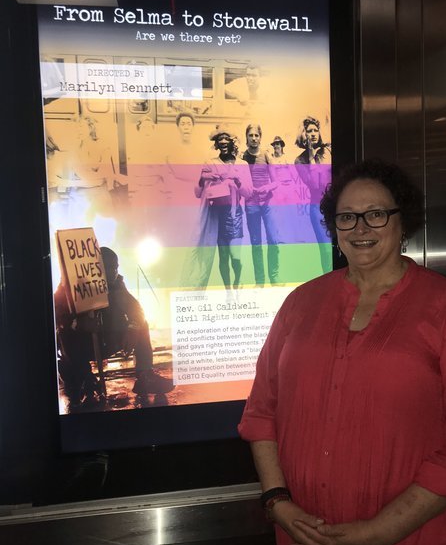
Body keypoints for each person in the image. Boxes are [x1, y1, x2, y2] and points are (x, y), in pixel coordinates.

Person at [239, 159, 446, 545]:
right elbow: (262, 412)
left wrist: (375, 534)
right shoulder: (301, 303)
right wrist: (278, 501)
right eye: (346, 216)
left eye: (376, 214)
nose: (360, 227)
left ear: (404, 223)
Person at [55, 246, 172, 406]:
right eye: (109, 267)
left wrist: (132, 327)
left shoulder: (117, 284)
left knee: (141, 324)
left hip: (109, 341)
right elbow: (56, 315)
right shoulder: (70, 285)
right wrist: (78, 323)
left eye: (115, 267)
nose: (114, 271)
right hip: (81, 349)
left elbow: (136, 308)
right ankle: (85, 378)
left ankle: (145, 375)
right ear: (97, 267)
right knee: (63, 334)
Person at [181, 125, 252, 290]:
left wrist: (238, 180)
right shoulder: (210, 163)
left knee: (236, 257)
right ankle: (226, 290)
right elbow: (198, 193)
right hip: (215, 217)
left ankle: (237, 282)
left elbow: (248, 193)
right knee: (221, 257)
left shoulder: (242, 164)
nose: (224, 142)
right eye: (220, 140)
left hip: (234, 215)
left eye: (227, 139)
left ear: (233, 142)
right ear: (217, 144)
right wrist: (202, 179)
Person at [242, 124, 281, 286]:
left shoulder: (266, 155)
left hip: (267, 204)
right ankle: (260, 281)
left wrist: (266, 187)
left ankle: (274, 278)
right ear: (247, 138)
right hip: (251, 205)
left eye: (256, 135)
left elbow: (276, 182)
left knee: (273, 239)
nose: (254, 138)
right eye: (251, 135)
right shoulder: (242, 157)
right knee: (256, 243)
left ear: (260, 137)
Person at [294, 116, 333, 273]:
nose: (313, 134)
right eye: (309, 131)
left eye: (315, 130)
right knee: (326, 250)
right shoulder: (300, 160)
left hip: (338, 205)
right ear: (304, 135)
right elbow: (315, 185)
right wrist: (311, 156)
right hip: (318, 208)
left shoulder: (330, 151)